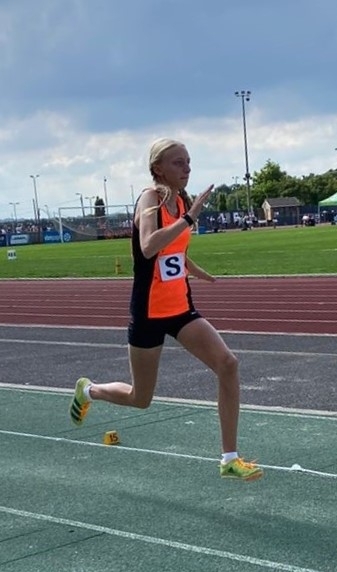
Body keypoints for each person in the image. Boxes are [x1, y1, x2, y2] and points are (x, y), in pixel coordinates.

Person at [69, 138, 263, 482]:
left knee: (228, 364)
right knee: (140, 397)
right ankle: (89, 390)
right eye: (178, 163)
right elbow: (148, 247)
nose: (187, 168)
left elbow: (174, 251)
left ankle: (229, 459)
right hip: (148, 313)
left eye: (188, 162)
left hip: (181, 308)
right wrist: (189, 218)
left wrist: (196, 270)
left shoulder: (182, 201)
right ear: (158, 168)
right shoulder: (151, 199)